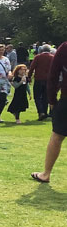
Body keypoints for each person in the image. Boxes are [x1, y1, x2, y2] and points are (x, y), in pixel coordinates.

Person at [31, 41, 67, 183]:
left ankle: (46, 173)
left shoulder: (64, 48)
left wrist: (52, 100)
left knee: (57, 136)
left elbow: (53, 75)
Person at [28, 44, 54, 120]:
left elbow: (32, 67)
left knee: (37, 97)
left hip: (38, 79)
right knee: (45, 97)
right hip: (49, 80)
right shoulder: (52, 57)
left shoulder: (38, 57)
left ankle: (41, 112)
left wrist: (29, 76)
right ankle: (45, 113)